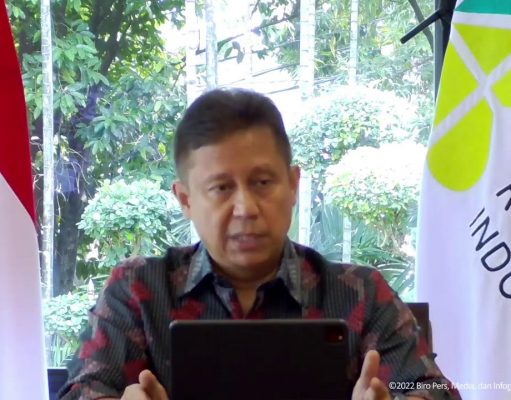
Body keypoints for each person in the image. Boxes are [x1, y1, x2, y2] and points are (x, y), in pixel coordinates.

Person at [59, 88, 460, 400]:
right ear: (185, 199)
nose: (245, 208)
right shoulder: (138, 291)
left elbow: (431, 390)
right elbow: (83, 390)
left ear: (293, 185)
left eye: (262, 182)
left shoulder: (360, 293)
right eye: (221, 188)